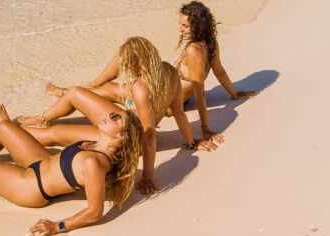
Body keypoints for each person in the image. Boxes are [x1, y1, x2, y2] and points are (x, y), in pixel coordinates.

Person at [0, 91, 143, 236]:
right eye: (113, 113)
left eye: (116, 119)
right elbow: (56, 137)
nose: (109, 116)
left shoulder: (95, 164)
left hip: (31, 188)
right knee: (4, 128)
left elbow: (95, 212)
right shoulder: (95, 141)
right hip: (40, 162)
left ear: (122, 138)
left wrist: (57, 226)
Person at [18, 36, 216, 195]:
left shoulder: (140, 87)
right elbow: (180, 114)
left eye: (128, 63)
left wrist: (147, 176)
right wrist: (191, 143)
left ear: (138, 63)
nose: (125, 68)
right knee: (76, 93)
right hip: (125, 119)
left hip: (123, 136)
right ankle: (42, 118)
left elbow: (148, 134)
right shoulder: (170, 72)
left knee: (57, 134)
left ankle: (15, 135)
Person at [175, 1, 257, 140]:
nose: (180, 30)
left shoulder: (193, 50)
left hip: (167, 103)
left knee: (129, 98)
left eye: (185, 26)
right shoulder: (210, 42)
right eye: (181, 24)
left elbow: (200, 91)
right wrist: (234, 94)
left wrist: (205, 128)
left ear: (198, 26)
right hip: (168, 95)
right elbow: (219, 72)